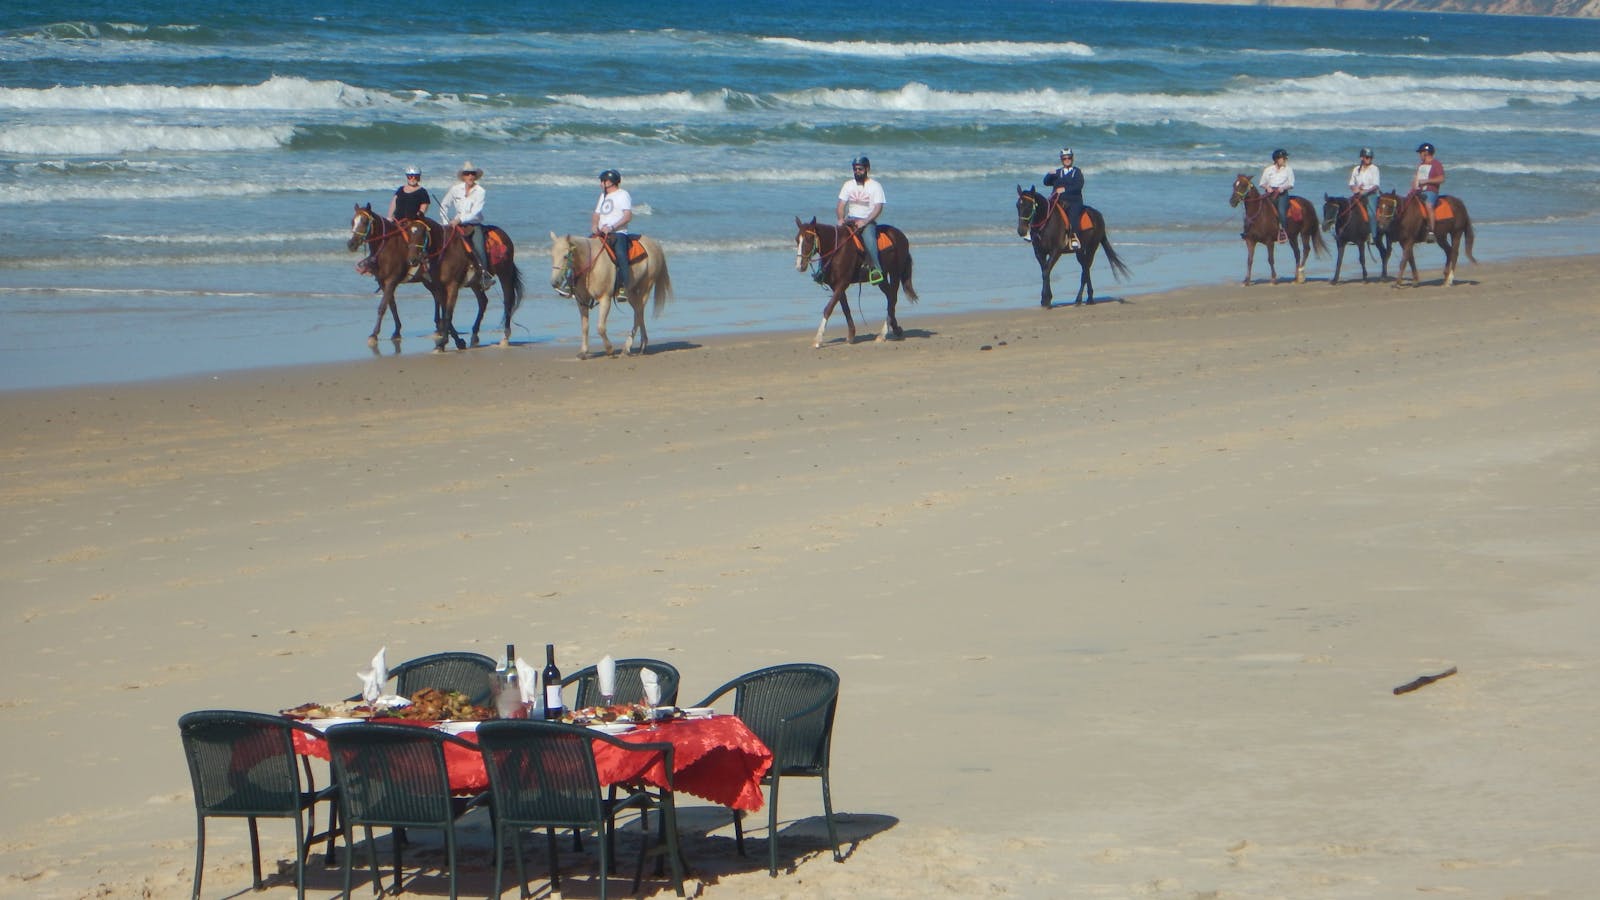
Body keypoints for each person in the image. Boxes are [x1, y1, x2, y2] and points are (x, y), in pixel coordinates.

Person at [439, 160, 492, 288]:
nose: (470, 176)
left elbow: (476, 212)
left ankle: (484, 276)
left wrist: (459, 220)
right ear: (463, 176)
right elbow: (444, 205)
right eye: (467, 174)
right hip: (454, 225)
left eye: (472, 174)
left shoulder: (480, 191)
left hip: (473, 225)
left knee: (479, 247)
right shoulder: (455, 189)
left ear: (475, 176)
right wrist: (446, 223)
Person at [836, 155, 886, 283]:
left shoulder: (875, 186)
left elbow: (878, 208)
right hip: (850, 220)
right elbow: (841, 204)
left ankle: (876, 269)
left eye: (860, 169)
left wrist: (865, 222)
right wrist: (841, 218)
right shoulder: (848, 185)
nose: (857, 171)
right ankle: (822, 270)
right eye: (855, 169)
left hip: (867, 221)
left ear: (867, 169)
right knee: (833, 237)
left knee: (869, 239)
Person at [591, 168, 634, 301]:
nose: (600, 184)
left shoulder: (623, 195)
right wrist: (594, 226)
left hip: (618, 233)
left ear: (610, 182)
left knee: (621, 257)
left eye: (602, 181)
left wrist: (612, 227)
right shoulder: (603, 196)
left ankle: (623, 287)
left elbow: (627, 216)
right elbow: (596, 214)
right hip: (601, 234)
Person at [1042, 147, 1085, 251]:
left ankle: (1073, 237)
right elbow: (1046, 182)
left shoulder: (1077, 172)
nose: (1067, 160)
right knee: (1043, 210)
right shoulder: (1058, 172)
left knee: (1073, 215)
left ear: (1072, 158)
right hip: (1058, 201)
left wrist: (1064, 189)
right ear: (1061, 159)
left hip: (1073, 201)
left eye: (1069, 158)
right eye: (1064, 158)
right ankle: (1034, 231)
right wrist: (1049, 174)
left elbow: (1079, 186)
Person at [1259, 149, 1295, 243]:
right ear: (1277, 159)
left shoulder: (1288, 169)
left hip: (1282, 194)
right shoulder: (1268, 170)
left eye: (1285, 158)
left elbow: (1291, 184)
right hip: (1270, 193)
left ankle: (1283, 231)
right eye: (1284, 158)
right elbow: (1262, 183)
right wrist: (1267, 187)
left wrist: (1283, 188)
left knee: (1282, 211)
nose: (1285, 160)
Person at [1412, 142, 1445, 242]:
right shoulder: (1420, 165)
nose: (1420, 155)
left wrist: (1426, 181)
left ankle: (1431, 231)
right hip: (1418, 191)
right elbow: (1416, 178)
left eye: (1421, 153)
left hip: (1430, 191)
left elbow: (1441, 179)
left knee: (1428, 205)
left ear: (1426, 153)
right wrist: (1414, 186)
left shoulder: (1436, 164)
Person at [1347, 148, 1381, 242]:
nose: (1369, 159)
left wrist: (1365, 192)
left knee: (1371, 214)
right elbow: (1351, 183)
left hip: (1371, 195)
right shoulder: (1356, 169)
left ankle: (1373, 235)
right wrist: (1356, 189)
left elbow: (1376, 185)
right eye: (1367, 157)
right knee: (1348, 210)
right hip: (1358, 194)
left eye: (1370, 157)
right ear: (1362, 158)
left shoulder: (1374, 169)